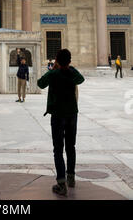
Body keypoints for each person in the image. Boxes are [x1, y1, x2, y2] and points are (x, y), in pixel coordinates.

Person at [37, 49, 85, 197]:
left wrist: (54, 68)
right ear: (70, 61)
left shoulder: (53, 73)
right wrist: (69, 67)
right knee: (71, 146)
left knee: (58, 149)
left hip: (58, 115)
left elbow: (40, 83)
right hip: (71, 115)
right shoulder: (72, 72)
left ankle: (61, 183)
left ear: (56, 60)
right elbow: (81, 79)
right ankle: (71, 178)